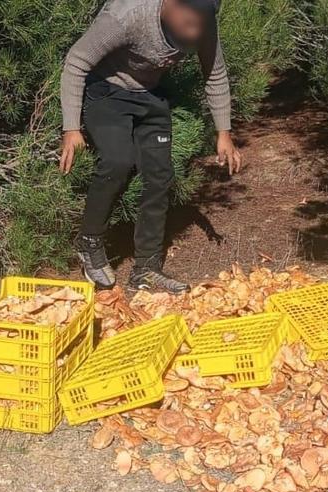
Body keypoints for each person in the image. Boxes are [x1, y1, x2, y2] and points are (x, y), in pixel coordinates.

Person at [58, 0, 243, 293]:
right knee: (118, 161)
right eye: (190, 22)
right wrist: (71, 129)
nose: (195, 33)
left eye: (202, 23)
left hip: (149, 94)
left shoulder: (203, 18)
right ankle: (89, 242)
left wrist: (224, 133)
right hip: (106, 90)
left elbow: (215, 72)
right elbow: (77, 61)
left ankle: (147, 268)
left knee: (160, 176)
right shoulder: (128, 15)